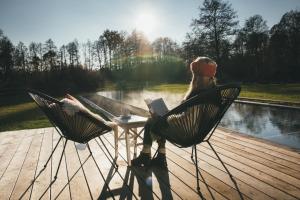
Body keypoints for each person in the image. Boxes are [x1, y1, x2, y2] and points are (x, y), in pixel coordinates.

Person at [131, 56, 218, 169]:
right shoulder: (215, 93)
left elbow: (187, 119)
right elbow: (190, 116)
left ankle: (146, 155)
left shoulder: (198, 95)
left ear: (196, 75)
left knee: (152, 121)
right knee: (160, 119)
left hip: (186, 133)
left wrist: (165, 117)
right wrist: (168, 115)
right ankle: (161, 158)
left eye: (194, 74)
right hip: (199, 133)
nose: (193, 78)